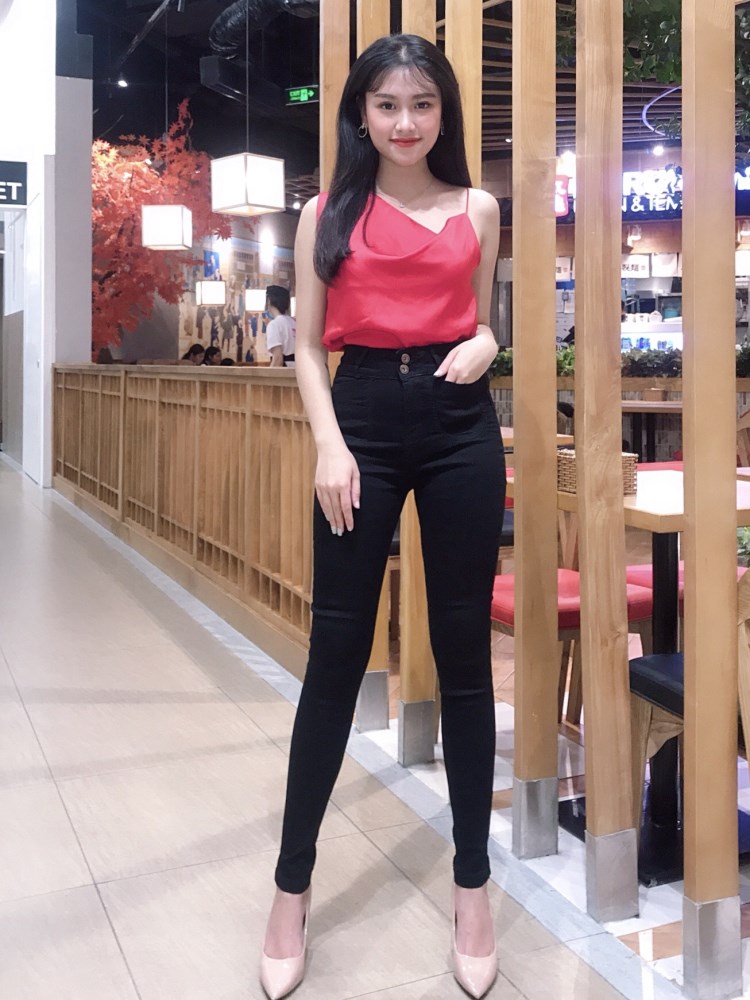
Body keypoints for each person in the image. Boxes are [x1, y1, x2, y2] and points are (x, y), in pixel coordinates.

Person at [260, 34, 505, 1000]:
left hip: (458, 426)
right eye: (388, 104)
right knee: (335, 654)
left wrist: (488, 340)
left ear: (445, 114)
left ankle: (473, 887)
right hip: (358, 417)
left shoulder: (477, 208)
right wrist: (330, 444)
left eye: (423, 105)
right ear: (360, 113)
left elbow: (479, 317)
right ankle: (290, 890)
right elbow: (309, 347)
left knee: (464, 656)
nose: (406, 123)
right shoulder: (326, 211)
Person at [265, 285, 297, 367]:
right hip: (299, 369)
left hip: (284, 370)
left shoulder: (274, 325)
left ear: (269, 301)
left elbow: (278, 358)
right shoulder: (294, 322)